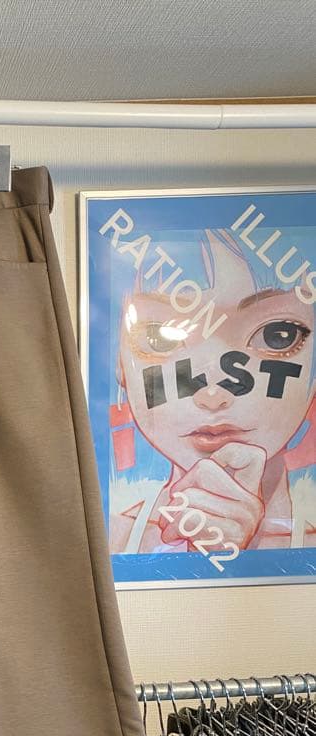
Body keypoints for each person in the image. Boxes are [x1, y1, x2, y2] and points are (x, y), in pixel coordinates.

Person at [109, 228, 316, 554]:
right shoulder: (109, 541)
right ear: (120, 363)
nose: (213, 395)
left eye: (277, 335)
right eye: (158, 339)